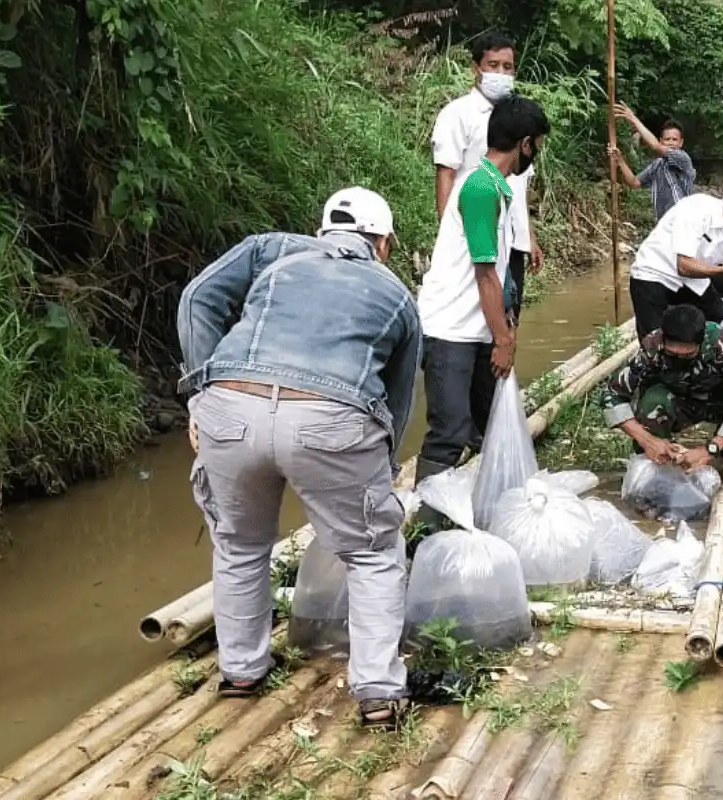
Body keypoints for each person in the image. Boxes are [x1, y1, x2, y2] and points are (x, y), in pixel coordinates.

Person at [177, 187, 421, 730]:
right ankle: (378, 693)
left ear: (322, 232)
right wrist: (384, 464)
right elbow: (397, 398)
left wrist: (201, 388)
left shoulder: (272, 251)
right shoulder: (396, 293)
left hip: (231, 407)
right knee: (373, 552)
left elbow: (198, 299)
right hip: (331, 417)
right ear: (382, 243)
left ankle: (241, 671)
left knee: (239, 544)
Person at [417, 96, 551, 485]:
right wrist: (504, 340)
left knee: (490, 425)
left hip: (477, 328)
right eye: (537, 146)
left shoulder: (499, 188)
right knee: (448, 434)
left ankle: (483, 511)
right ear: (524, 144)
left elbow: (502, 272)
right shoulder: (480, 189)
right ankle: (424, 531)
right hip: (450, 328)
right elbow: (485, 273)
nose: (535, 154)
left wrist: (502, 327)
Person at [431, 31, 542, 324]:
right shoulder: (458, 114)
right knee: (471, 317)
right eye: (493, 65)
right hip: (476, 235)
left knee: (507, 315)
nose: (501, 73)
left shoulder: (518, 116)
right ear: (475, 68)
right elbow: (446, 175)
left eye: (508, 67)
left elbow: (520, 184)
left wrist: (528, 236)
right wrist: (451, 237)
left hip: (511, 238)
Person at [602, 305, 723, 473]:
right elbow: (612, 395)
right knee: (653, 400)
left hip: (720, 402)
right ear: (664, 339)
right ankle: (657, 458)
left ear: (700, 343)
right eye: (672, 354)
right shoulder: (652, 346)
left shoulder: (719, 344)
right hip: (679, 402)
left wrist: (709, 450)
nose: (680, 359)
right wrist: (646, 439)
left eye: (689, 354)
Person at [628, 177, 723, 343]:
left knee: (722, 326)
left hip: (693, 281)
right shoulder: (696, 210)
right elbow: (684, 265)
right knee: (654, 342)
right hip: (654, 273)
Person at [607, 103, 696, 221]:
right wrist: (620, 160)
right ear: (661, 141)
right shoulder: (657, 165)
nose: (670, 142)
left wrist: (633, 119)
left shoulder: (683, 158)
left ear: (681, 143)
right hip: (663, 224)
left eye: (674, 140)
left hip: (683, 221)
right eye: (667, 139)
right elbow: (634, 182)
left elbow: (655, 146)